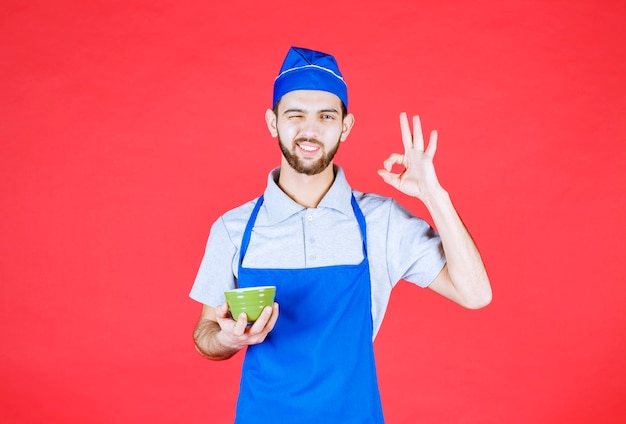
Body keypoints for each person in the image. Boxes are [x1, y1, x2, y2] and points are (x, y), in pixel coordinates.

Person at [190, 46, 492, 423]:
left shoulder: (381, 221)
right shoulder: (233, 229)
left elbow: (476, 293)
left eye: (326, 116)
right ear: (273, 122)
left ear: (345, 126)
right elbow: (205, 334)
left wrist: (435, 195)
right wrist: (229, 339)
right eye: (295, 114)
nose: (310, 130)